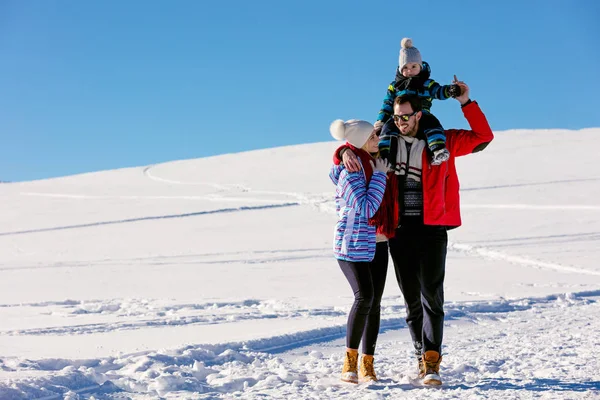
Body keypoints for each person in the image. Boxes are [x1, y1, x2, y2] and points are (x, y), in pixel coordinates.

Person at [333, 82, 494, 385]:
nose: (400, 122)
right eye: (396, 117)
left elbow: (484, 136)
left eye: (406, 116)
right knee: (411, 301)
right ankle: (421, 354)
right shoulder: (387, 142)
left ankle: (432, 361)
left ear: (419, 115)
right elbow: (360, 143)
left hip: (433, 228)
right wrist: (341, 152)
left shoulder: (443, 142)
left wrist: (466, 102)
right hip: (400, 231)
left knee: (432, 295)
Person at [329, 119, 391, 383]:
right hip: (352, 245)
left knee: (374, 303)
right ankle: (350, 361)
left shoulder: (368, 160)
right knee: (364, 297)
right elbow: (366, 208)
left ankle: (368, 363)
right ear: (362, 141)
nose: (378, 139)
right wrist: (379, 175)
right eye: (373, 137)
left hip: (378, 242)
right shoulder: (351, 169)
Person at [375, 38, 462, 167]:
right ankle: (386, 157)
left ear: (420, 67)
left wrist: (450, 90)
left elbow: (438, 92)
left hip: (423, 114)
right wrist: (380, 122)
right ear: (400, 69)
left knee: (432, 124)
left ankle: (437, 149)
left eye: (413, 66)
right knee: (388, 129)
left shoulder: (426, 84)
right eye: (405, 67)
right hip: (399, 118)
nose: (409, 71)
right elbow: (387, 104)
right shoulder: (396, 86)